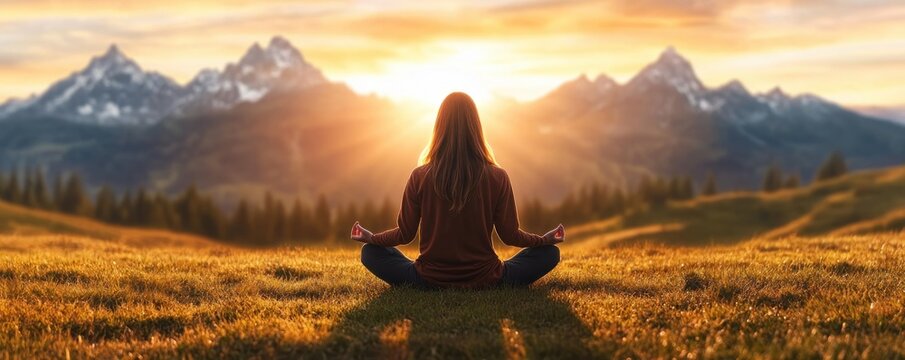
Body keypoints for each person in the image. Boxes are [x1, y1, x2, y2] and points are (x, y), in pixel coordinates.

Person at [351, 92, 564, 289]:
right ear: (476, 126)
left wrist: (373, 239)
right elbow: (510, 236)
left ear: (439, 126)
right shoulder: (498, 176)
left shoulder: (420, 175)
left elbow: (405, 234)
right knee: (550, 254)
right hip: (486, 278)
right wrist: (543, 241)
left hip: (428, 279)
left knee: (370, 253)